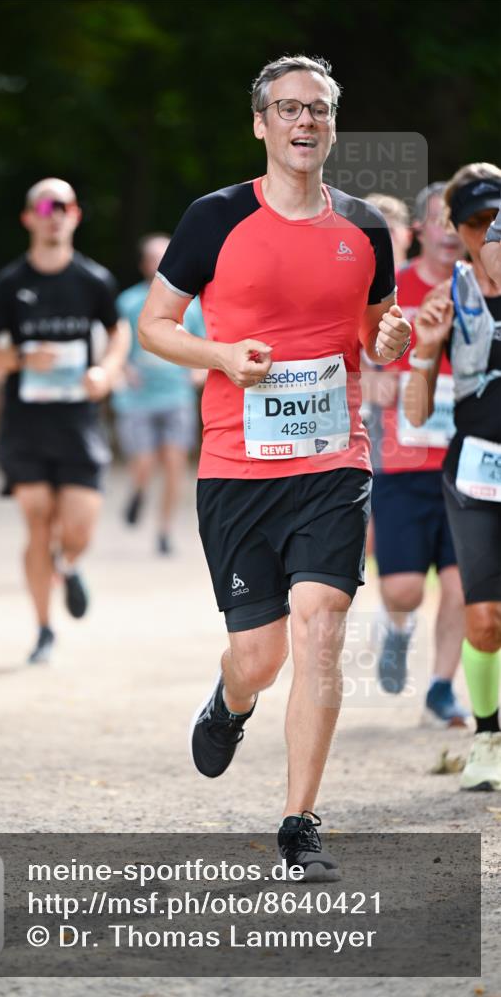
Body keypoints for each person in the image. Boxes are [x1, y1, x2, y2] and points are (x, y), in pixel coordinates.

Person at [138, 55, 411, 872]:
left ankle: (300, 823)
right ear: (260, 124)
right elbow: (155, 324)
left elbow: (376, 331)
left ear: (331, 124)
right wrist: (220, 355)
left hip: (334, 461)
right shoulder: (214, 217)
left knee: (320, 626)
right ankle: (229, 702)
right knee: (260, 657)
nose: (303, 123)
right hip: (236, 468)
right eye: (287, 109)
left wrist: (392, 339)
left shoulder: (365, 227)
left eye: (317, 110)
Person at [0, 178, 129, 665]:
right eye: (43, 205)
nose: (53, 213)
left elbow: (119, 334)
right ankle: (43, 629)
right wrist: (17, 360)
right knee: (36, 520)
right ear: (28, 218)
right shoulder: (11, 284)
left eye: (62, 205)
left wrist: (107, 370)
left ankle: (70, 563)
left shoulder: (94, 281)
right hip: (26, 426)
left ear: (75, 215)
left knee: (77, 529)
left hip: (78, 424)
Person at [404, 163, 501, 790]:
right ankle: (488, 735)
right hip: (476, 473)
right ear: (459, 231)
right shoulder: (450, 299)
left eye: (498, 220)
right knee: (486, 617)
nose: (490, 233)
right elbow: (415, 414)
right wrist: (423, 350)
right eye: (477, 223)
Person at [364, 184, 468, 724]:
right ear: (421, 231)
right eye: (438, 221)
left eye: (457, 221)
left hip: (467, 460)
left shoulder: (480, 288)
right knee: (403, 588)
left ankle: (440, 690)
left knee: (460, 585)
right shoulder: (391, 289)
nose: (449, 232)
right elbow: (354, 359)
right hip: (402, 460)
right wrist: (373, 383)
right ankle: (399, 629)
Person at [113, 233, 206, 555]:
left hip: (175, 396)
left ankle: (164, 530)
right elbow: (113, 343)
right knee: (144, 461)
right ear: (143, 264)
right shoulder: (127, 303)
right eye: (152, 258)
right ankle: (138, 490)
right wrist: (124, 368)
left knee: (174, 465)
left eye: (163, 257)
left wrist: (199, 370)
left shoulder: (191, 305)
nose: (157, 264)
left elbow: (207, 344)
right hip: (137, 398)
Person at [365, 194, 412, 271]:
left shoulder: (434, 280)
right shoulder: (348, 280)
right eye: (372, 232)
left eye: (390, 231)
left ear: (408, 236)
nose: (381, 239)